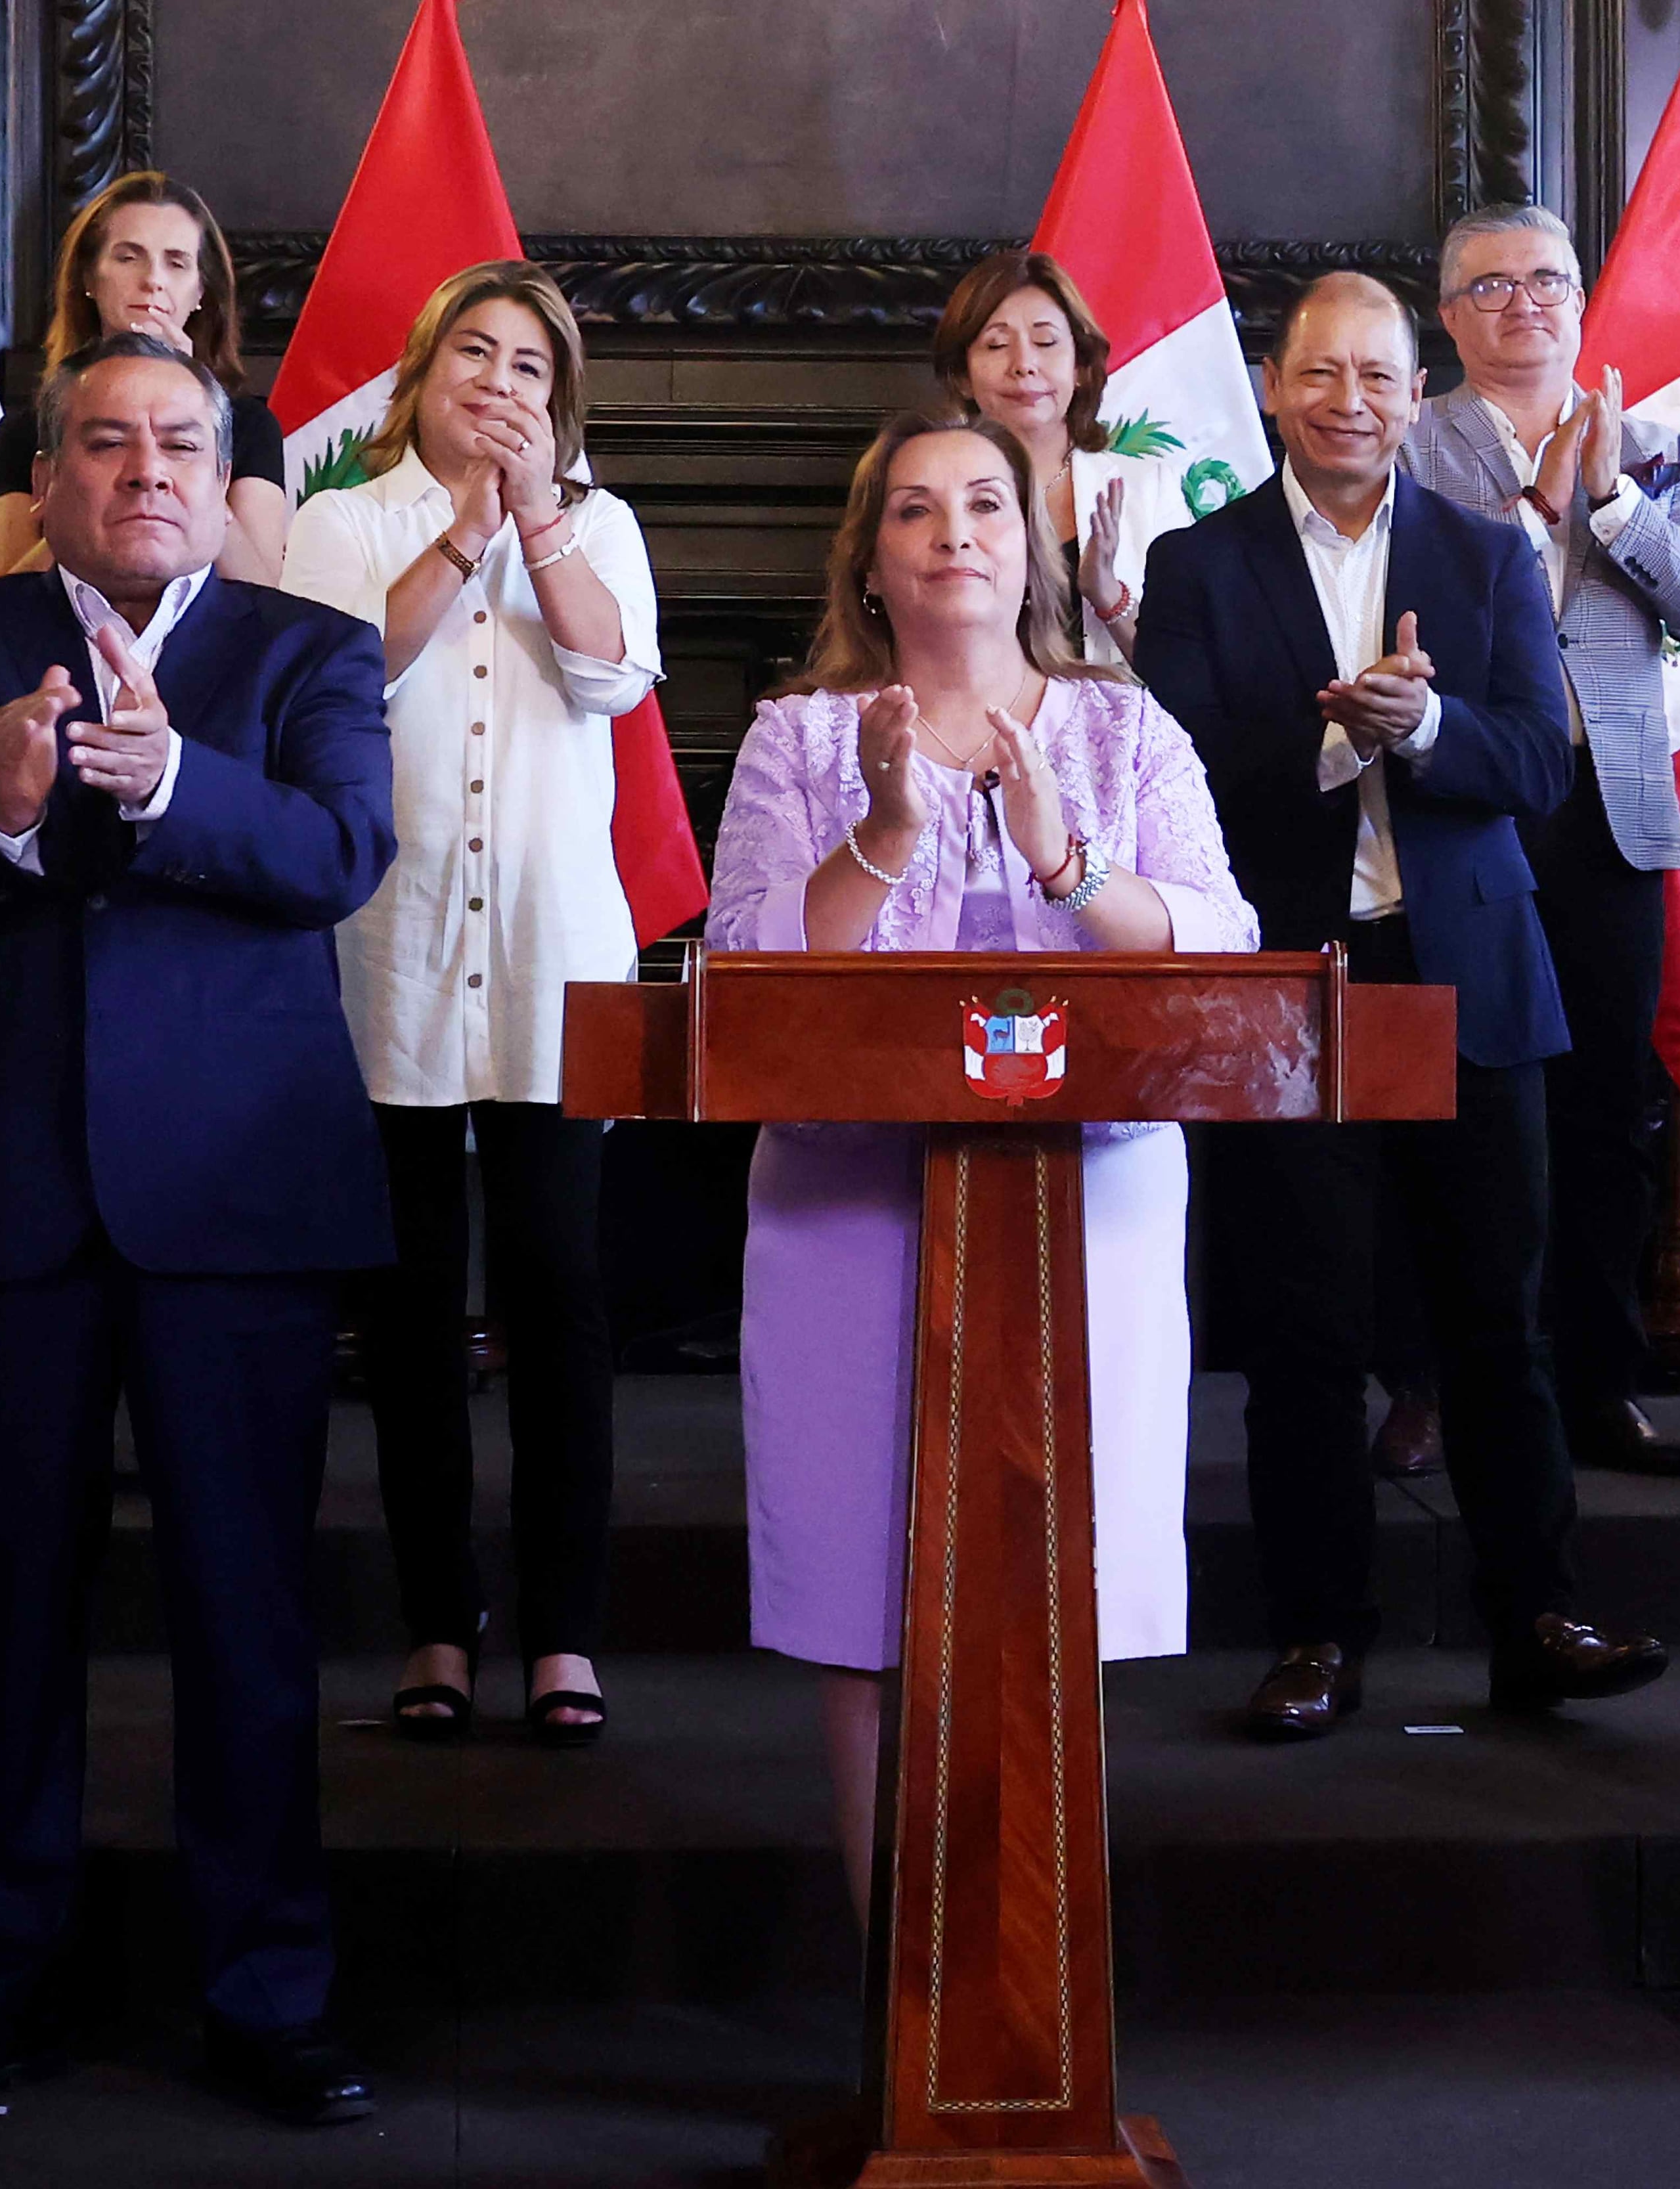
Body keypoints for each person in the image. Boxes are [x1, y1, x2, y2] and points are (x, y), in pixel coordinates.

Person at [0, 332, 393, 2129]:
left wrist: (169, 786)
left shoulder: (311, 651)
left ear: (226, 481)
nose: (144, 470)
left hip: (236, 1202)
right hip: (5, 1196)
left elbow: (337, 854)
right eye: (104, 443)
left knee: (245, 1610)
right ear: (49, 477)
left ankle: (269, 1992)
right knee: (0, 1613)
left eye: (178, 444)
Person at [705, 406, 1256, 1925]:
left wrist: (1069, 865)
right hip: (849, 1211)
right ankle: (905, 2001)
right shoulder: (799, 738)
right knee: (867, 1591)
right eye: (916, 509)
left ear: (1032, 551)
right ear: (870, 563)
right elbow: (744, 974)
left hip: (1085, 1203)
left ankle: (1033, 1993)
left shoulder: (1125, 729)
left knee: (1050, 1586)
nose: (955, 530)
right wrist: (883, 832)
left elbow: (1219, 948)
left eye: (988, 505)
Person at [1133, 272, 1669, 1743]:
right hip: (1292, 984)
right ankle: (1316, 1631)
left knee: (1499, 1317)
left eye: (1378, 376)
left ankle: (1534, 1614)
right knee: (1303, 1329)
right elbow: (1168, 778)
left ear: (1410, 389)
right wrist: (1329, 729)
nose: (1350, 401)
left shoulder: (1489, 555)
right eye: (1322, 374)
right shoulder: (1199, 565)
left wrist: (1425, 725)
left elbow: (1538, 771)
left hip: (1465, 978)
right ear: (1269, 384)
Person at [283, 261, 660, 1746]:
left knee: (564, 1298)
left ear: (557, 401)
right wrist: (458, 540)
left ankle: (565, 1635)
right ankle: (438, 1624)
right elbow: (335, 684)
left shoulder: (604, 523)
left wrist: (539, 523)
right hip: (394, 945)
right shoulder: (339, 523)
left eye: (529, 367)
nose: (499, 384)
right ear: (422, 374)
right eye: (474, 356)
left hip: (559, 957)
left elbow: (610, 677)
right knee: (414, 1315)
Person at [1399, 205, 1680, 1479]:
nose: (1526, 304)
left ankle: (1598, 1385)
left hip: (1605, 821)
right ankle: (1437, 1382)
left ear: (1580, 299)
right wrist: (1529, 510)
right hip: (1465, 811)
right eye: (1491, 286)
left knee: (1604, 1115)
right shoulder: (1402, 441)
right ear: (1448, 316)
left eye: (1548, 280)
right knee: (1450, 1111)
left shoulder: (1649, 449)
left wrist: (1604, 501)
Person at [0, 172, 288, 585]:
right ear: (89, 278)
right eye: (129, 257)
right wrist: (87, 508)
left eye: (176, 263)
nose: (153, 280)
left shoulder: (249, 425)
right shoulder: (25, 431)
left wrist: (188, 401)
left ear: (201, 293)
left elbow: (262, 588)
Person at [933, 248, 1196, 667]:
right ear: (963, 375)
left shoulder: (1150, 489)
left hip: (1116, 727)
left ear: (1081, 367)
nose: (1024, 365)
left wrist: (1108, 595)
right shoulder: (929, 495)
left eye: (1046, 342)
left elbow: (1189, 671)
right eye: (997, 345)